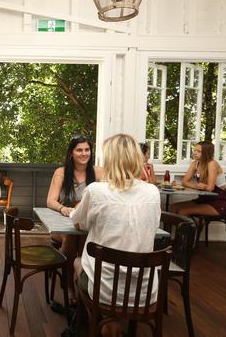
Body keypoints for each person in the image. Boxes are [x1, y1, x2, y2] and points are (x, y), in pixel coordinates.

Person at [70, 134, 160, 336]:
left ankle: (101, 321)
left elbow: (78, 222)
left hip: (104, 290)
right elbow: (153, 228)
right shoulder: (153, 192)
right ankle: (111, 323)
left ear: (110, 160)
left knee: (77, 263)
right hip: (143, 293)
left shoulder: (96, 191)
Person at [46, 135, 103, 304]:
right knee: (72, 236)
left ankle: (85, 285)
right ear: (71, 153)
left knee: (87, 238)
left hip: (87, 224)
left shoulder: (99, 172)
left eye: (87, 150)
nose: (84, 153)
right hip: (64, 225)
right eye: (79, 150)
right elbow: (50, 201)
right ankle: (70, 286)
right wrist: (63, 208)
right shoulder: (61, 172)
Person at [169, 141, 226, 216]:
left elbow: (210, 188)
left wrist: (204, 186)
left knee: (183, 211)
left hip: (217, 202)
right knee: (173, 207)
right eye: (194, 150)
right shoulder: (195, 163)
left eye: (199, 151)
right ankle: (172, 228)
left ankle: (186, 228)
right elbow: (184, 182)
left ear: (206, 153)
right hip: (203, 199)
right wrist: (196, 186)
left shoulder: (212, 164)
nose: (195, 153)